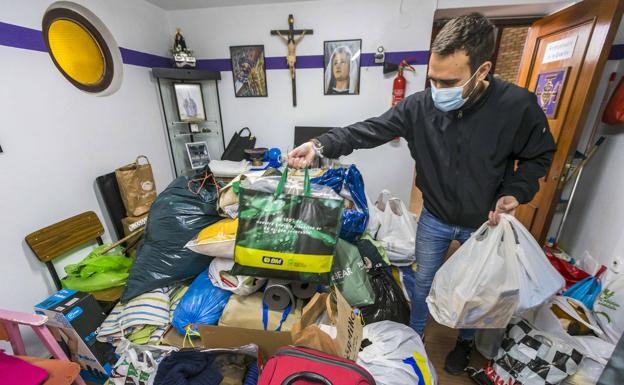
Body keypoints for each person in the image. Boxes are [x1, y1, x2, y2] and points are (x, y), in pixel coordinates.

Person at [288, 13, 555, 376]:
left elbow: (541, 155)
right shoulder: (420, 106)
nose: (438, 90)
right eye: (433, 80)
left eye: (450, 81)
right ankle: (412, 342)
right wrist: (319, 145)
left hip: (484, 222)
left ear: (482, 70)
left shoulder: (517, 106)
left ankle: (463, 344)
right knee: (422, 284)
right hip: (435, 217)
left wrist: (515, 192)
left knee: (475, 291)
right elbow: (369, 130)